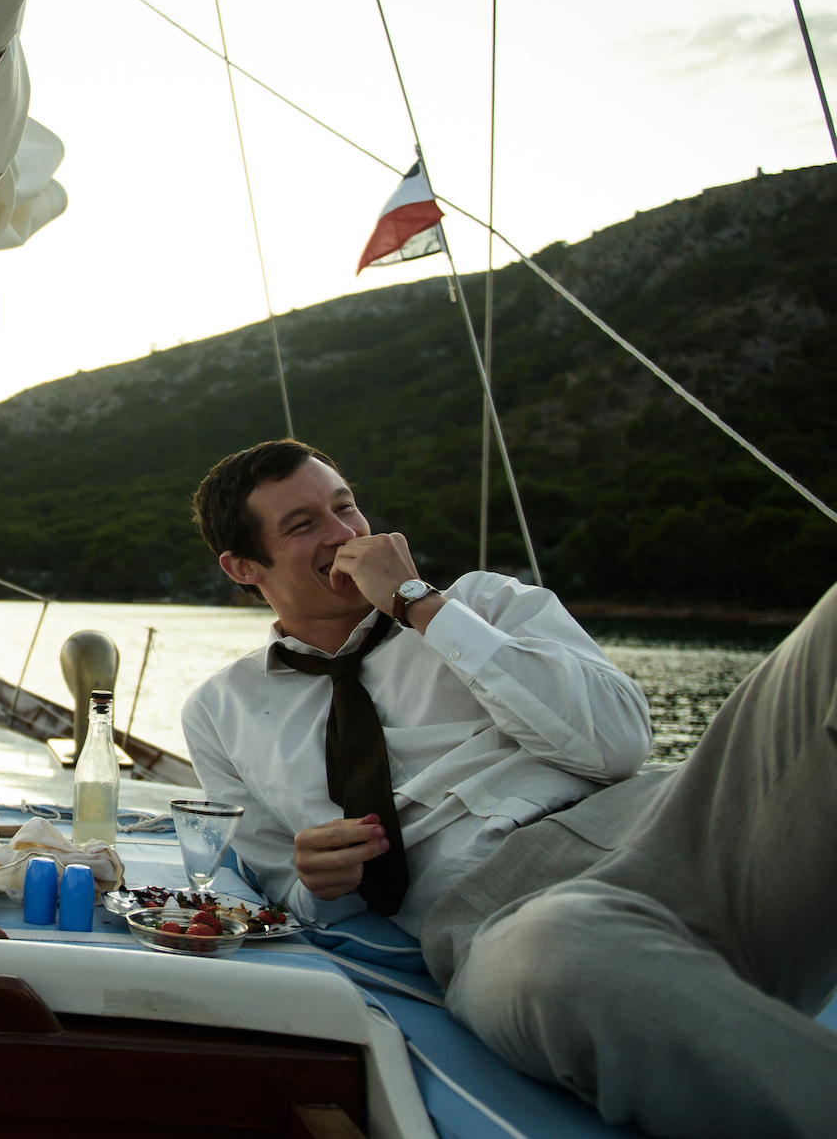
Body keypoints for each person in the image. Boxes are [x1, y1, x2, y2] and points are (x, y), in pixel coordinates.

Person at [181, 439, 837, 1139]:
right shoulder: (220, 712)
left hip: (664, 824)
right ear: (244, 566)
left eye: (346, 507)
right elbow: (282, 886)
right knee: (565, 958)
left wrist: (421, 607)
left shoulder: (482, 603)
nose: (344, 534)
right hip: (496, 914)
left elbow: (618, 742)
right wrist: (318, 881)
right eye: (303, 525)